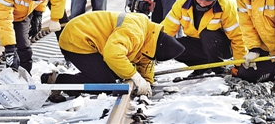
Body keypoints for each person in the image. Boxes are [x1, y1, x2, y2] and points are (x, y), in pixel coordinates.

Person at [41, 11, 185, 102]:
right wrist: (135, 77)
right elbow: (113, 55)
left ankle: (71, 82)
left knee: (114, 73)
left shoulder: (150, 37)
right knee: (106, 83)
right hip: (77, 38)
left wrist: (147, 82)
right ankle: (57, 80)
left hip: (90, 40)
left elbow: (145, 61)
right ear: (157, 47)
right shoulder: (135, 33)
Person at [161, 0, 247, 77]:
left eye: (207, 0)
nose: (202, 3)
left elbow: (238, 37)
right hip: (198, 44)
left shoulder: (226, 6)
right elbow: (166, 30)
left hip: (221, 47)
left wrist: (239, 65)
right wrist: (154, 47)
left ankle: (218, 68)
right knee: (171, 46)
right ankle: (202, 67)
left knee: (207, 34)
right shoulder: (182, 4)